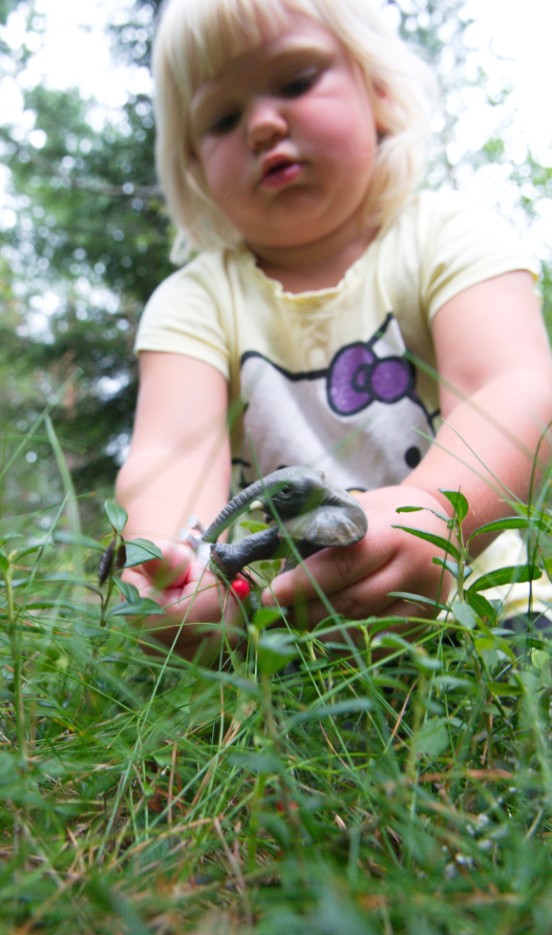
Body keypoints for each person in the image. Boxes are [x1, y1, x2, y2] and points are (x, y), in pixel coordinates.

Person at [114, 0, 552, 658]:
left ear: (376, 89)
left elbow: (512, 388)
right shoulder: (194, 302)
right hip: (290, 638)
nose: (262, 124)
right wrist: (177, 569)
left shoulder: (446, 235)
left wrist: (436, 515)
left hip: (488, 611)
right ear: (195, 168)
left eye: (295, 81)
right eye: (222, 118)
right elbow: (173, 454)